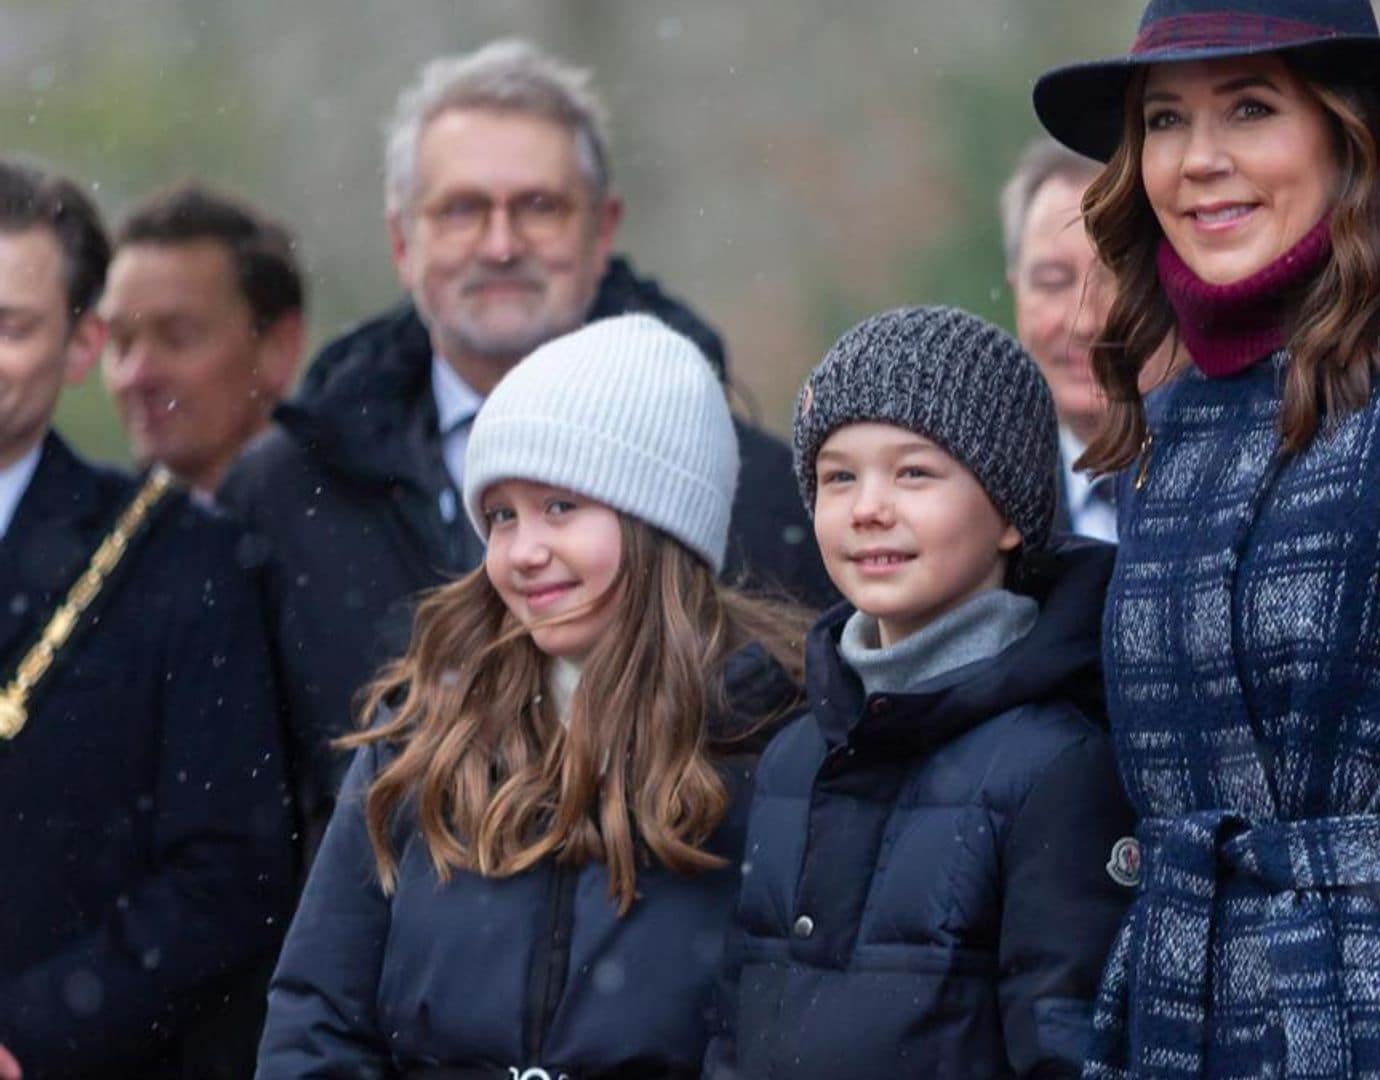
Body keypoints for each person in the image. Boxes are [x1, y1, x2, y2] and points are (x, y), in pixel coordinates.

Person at [1031, 0, 1380, 1076]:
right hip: (1171, 1023)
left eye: (1250, 108)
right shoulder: (1175, 429)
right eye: (1163, 119)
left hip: (1371, 1033)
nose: (1198, 161)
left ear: (1350, 138)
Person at [219, 39, 832, 863]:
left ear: (602, 227)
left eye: (539, 205)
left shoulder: (757, 489)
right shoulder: (281, 494)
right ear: (403, 241)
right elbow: (251, 831)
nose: (501, 243)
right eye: (462, 209)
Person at [258, 314, 807, 1077]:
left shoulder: (778, 744)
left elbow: (780, 1039)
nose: (524, 552)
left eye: (560, 507)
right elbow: (317, 1019)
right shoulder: (424, 730)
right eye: (501, 515)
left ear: (661, 524)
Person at [705, 306, 1136, 1078]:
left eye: (914, 472)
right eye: (839, 476)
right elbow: (739, 1026)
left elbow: (1068, 1046)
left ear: (1008, 513)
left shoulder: (1058, 767)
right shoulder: (793, 757)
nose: (869, 507)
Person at [0, 159, 293, 1079]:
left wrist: (25, 1037)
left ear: (83, 345)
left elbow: (229, 874)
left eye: (8, 325)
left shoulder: (175, 561)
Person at [98, 183, 305, 499]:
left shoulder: (359, 534)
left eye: (177, 338)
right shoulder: (83, 536)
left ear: (278, 347)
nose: (136, 375)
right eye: (121, 342)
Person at [999, 138, 1119, 541]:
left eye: (1116, 278)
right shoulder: (988, 513)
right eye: (1053, 282)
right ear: (1017, 294)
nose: (1085, 321)